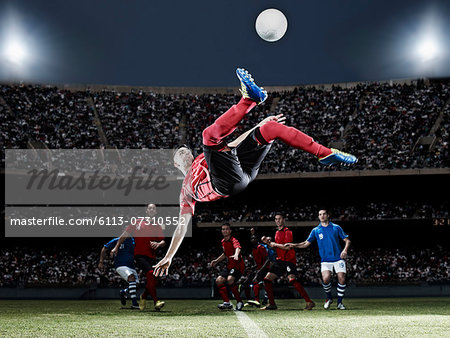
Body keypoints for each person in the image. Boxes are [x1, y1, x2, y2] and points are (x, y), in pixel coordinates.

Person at [154, 68, 357, 276]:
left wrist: (258, 125)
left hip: (240, 170)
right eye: (180, 153)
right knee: (209, 136)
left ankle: (324, 153)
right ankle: (249, 100)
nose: (184, 152)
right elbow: (181, 226)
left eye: (185, 150)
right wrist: (169, 255)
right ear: (178, 165)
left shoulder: (202, 158)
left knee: (271, 130)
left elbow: (232, 145)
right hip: (225, 183)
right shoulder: (185, 191)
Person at [287, 209, 351, 310]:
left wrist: (345, 250)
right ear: (318, 217)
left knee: (342, 279)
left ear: (328, 215)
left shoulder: (336, 227)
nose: (322, 216)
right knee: (325, 279)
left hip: (338, 258)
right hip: (325, 260)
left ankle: (339, 303)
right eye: (320, 214)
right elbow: (306, 244)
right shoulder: (316, 230)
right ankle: (329, 298)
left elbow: (347, 240)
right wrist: (294, 245)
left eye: (324, 214)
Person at [112, 203, 166, 311]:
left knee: (153, 279)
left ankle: (144, 296)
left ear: (155, 212)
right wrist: (116, 247)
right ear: (146, 211)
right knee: (151, 274)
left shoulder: (157, 225)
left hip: (152, 256)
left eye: (153, 208)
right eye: (149, 208)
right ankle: (156, 302)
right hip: (140, 256)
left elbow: (163, 241)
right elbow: (124, 235)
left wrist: (159, 244)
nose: (151, 210)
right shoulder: (137, 222)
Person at [262, 212, 315, 310]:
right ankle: (272, 304)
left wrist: (274, 244)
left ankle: (309, 302)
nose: (278, 221)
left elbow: (287, 247)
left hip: (289, 260)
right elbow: (276, 248)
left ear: (284, 220)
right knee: (267, 280)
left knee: (292, 280)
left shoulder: (288, 232)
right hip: (279, 260)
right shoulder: (277, 233)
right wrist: (268, 243)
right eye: (276, 219)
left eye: (279, 219)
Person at [210, 223, 245, 311]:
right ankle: (227, 303)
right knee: (219, 280)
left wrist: (236, 254)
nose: (225, 231)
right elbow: (225, 254)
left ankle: (239, 302)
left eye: (226, 229)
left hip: (238, 266)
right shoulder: (223, 241)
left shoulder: (233, 240)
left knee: (230, 280)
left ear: (230, 231)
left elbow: (238, 248)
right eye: (223, 229)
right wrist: (216, 261)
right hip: (229, 265)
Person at [98, 236, 139, 309]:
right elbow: (104, 248)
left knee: (136, 286)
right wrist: (101, 261)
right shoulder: (117, 240)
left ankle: (124, 292)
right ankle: (134, 304)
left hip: (131, 266)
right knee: (131, 278)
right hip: (121, 265)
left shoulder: (134, 241)